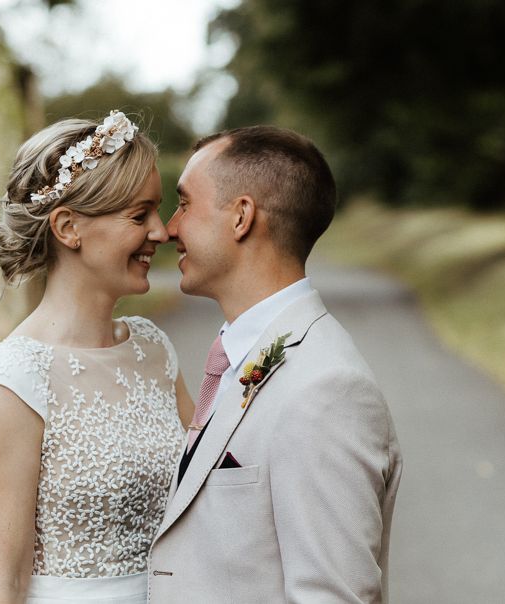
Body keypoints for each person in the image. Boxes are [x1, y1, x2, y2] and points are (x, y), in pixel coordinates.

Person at [147, 126, 403, 603]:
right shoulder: (249, 353)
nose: (169, 228)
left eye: (184, 203)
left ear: (242, 216)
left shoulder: (327, 389)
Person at [0, 111, 193, 604]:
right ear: (68, 227)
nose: (161, 232)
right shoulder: (11, 383)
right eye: (139, 215)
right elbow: (2, 584)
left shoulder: (154, 349)